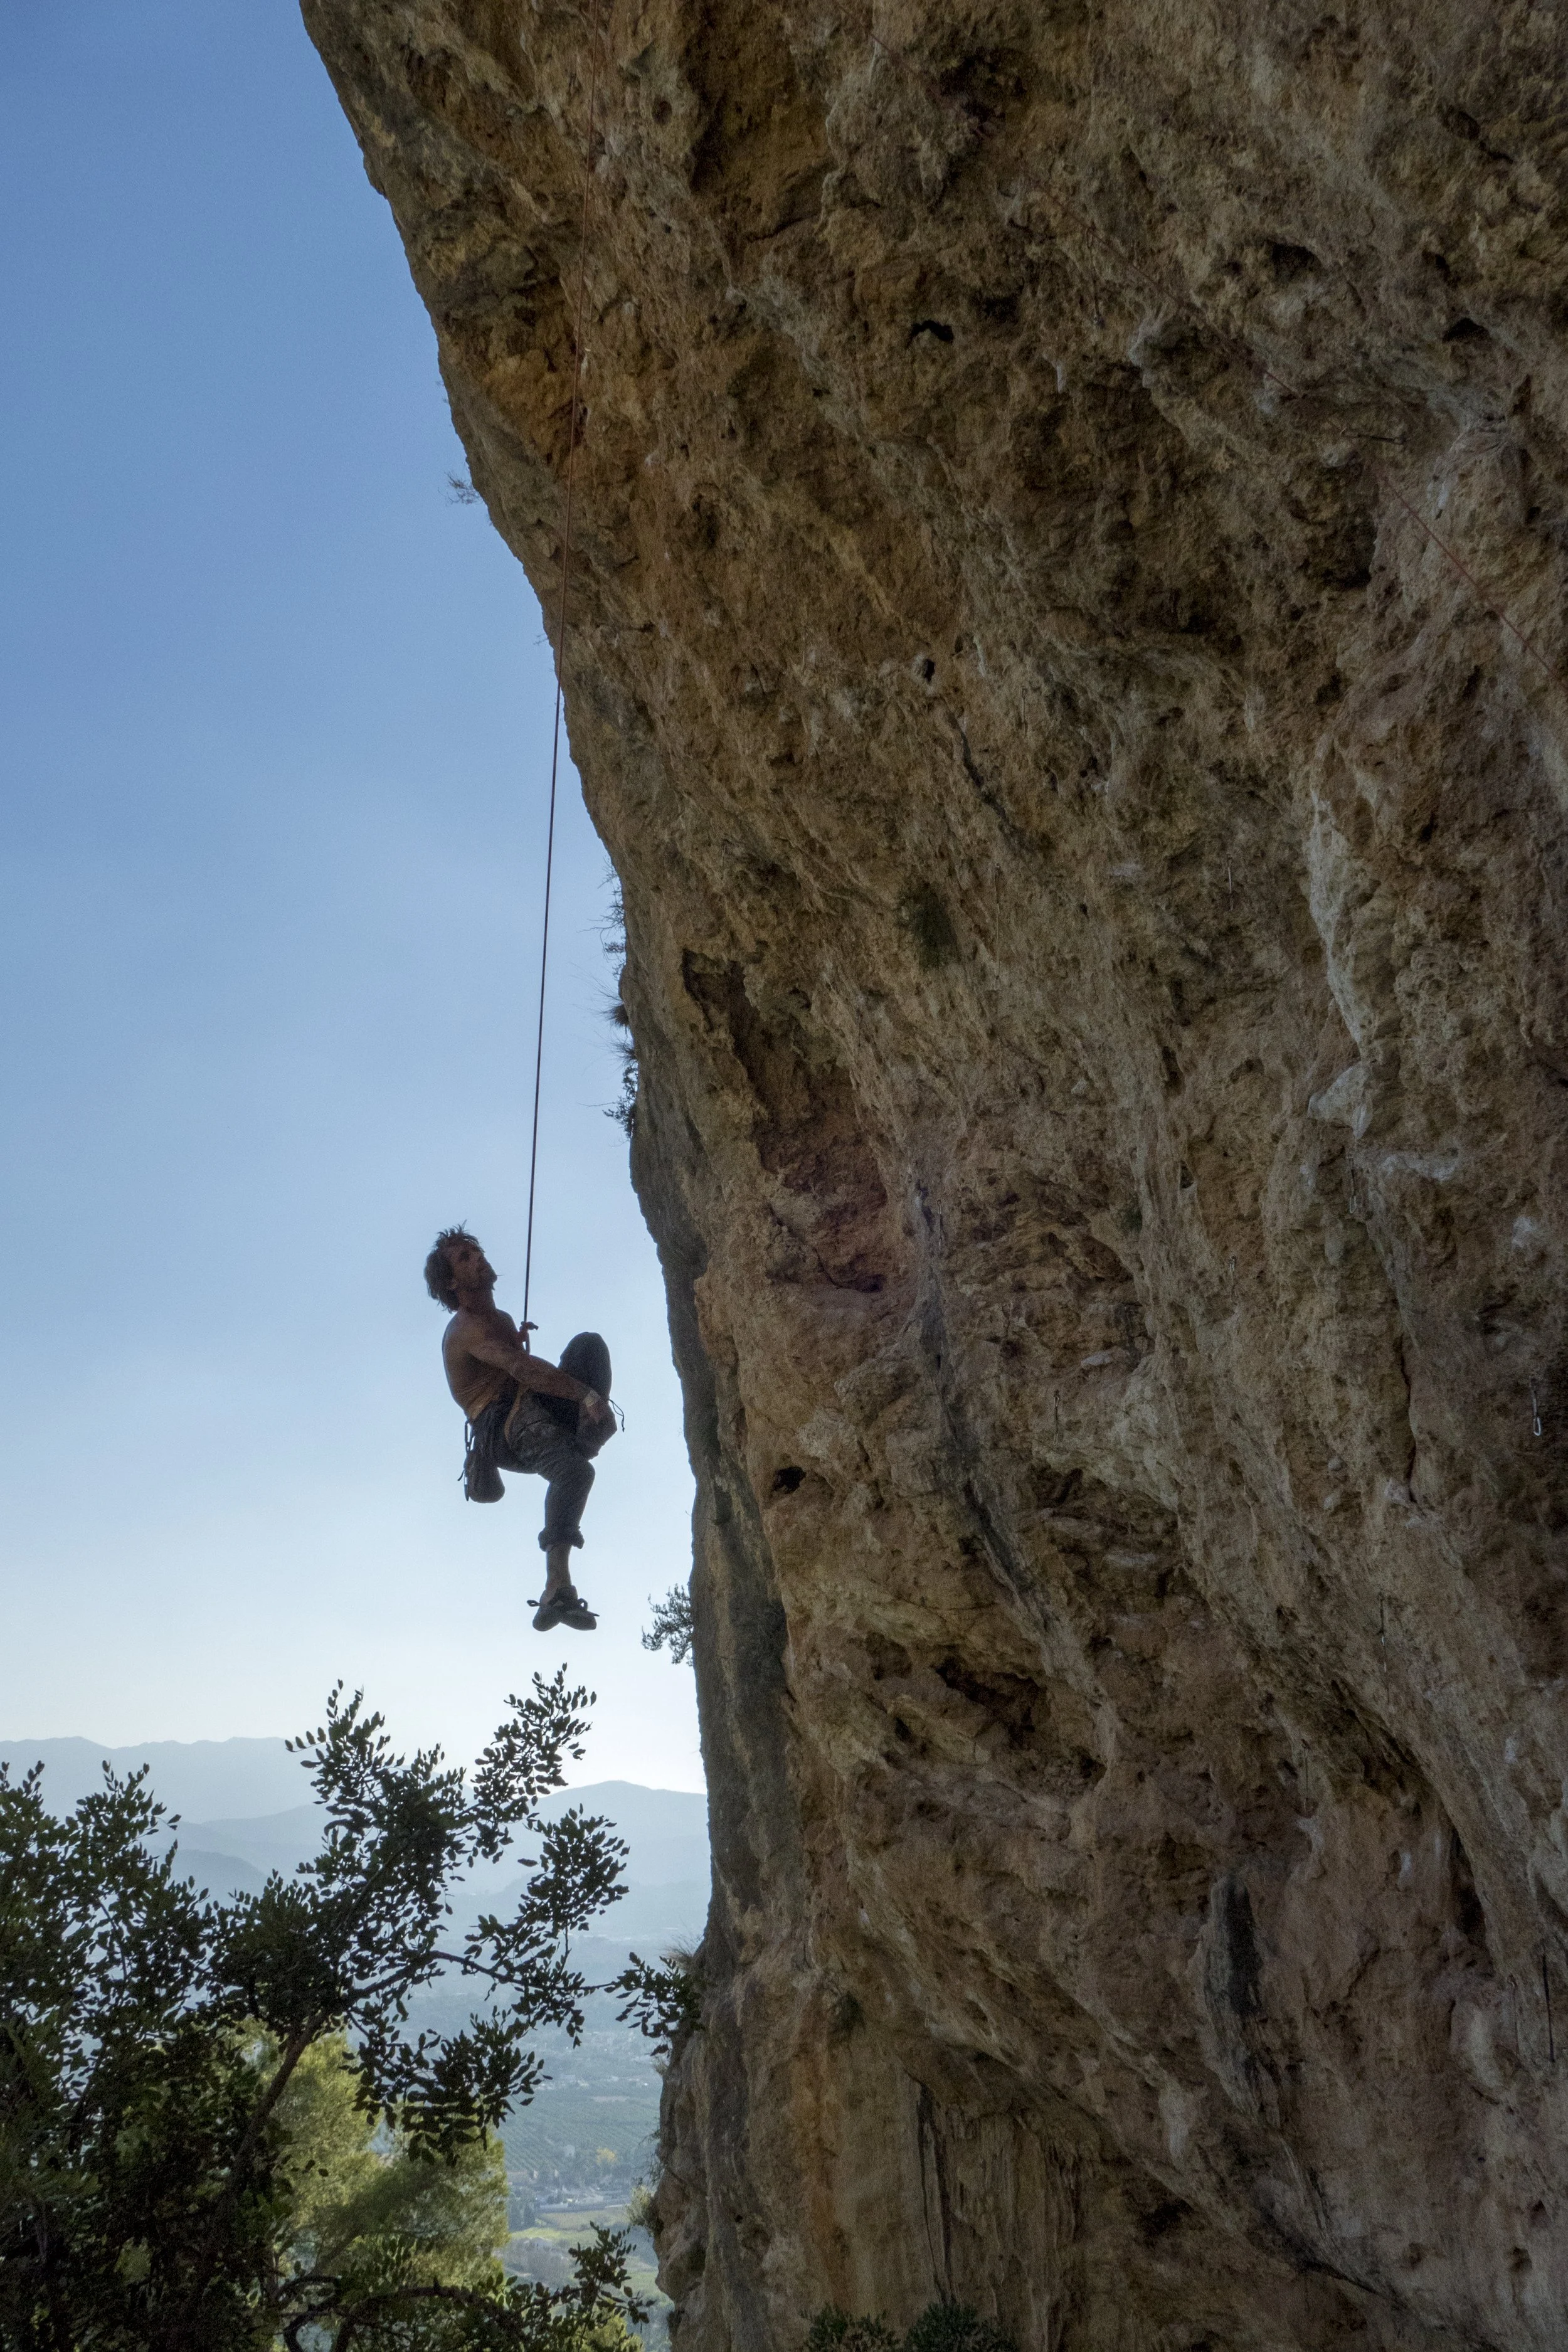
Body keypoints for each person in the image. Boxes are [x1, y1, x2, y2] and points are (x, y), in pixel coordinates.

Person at [425, 1226, 616, 1632]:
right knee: (576, 1472)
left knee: (588, 1348)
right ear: (452, 1283)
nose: (477, 1257)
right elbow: (523, 1370)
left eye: (476, 1250)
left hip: (528, 1406)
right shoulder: (465, 1330)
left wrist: (515, 1341)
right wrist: (585, 1396)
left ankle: (574, 1447)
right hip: (506, 1427)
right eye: (464, 1258)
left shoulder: (500, 1320)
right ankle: (555, 1587)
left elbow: (520, 1367)